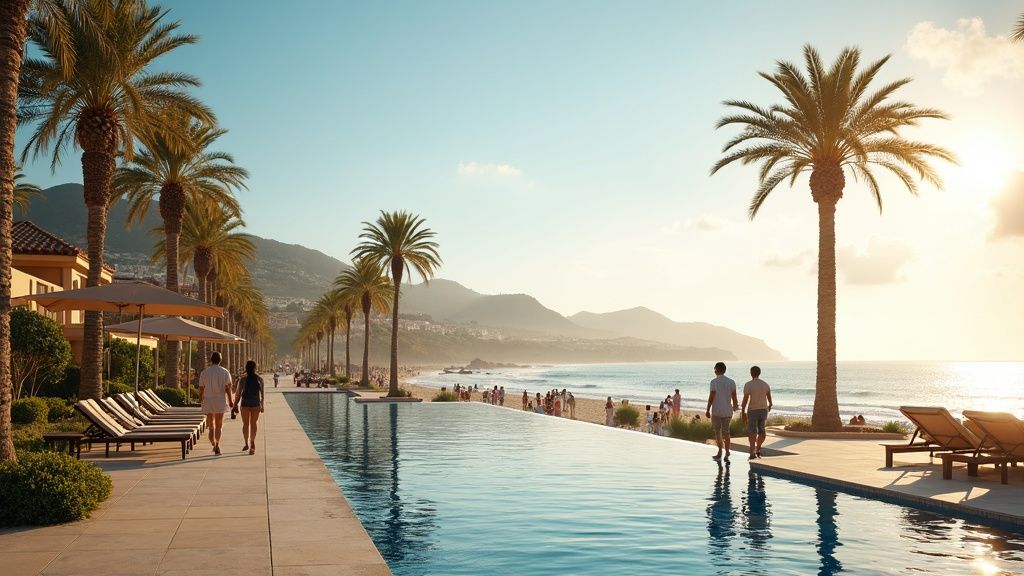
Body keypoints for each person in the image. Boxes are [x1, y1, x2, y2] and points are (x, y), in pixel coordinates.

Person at [199, 352, 234, 455]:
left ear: (211, 360)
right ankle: (217, 444)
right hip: (220, 400)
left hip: (208, 400)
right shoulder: (225, 372)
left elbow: (201, 388)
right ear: (220, 360)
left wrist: (200, 399)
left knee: (211, 426)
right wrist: (230, 400)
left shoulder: (204, 372)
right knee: (219, 425)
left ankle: (213, 443)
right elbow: (228, 388)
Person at [705, 361, 738, 461]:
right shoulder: (731, 382)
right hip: (727, 411)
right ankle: (727, 451)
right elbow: (734, 396)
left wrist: (708, 409)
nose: (714, 370)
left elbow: (711, 397)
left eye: (715, 368)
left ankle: (720, 452)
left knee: (718, 433)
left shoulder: (714, 382)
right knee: (726, 432)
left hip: (717, 411)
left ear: (716, 370)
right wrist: (735, 406)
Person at [740, 365, 773, 459]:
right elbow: (769, 397)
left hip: (753, 410)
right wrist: (770, 405)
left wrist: (743, 411)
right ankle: (758, 449)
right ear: (759, 373)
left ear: (751, 373)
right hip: (763, 410)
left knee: (752, 431)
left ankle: (752, 451)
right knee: (762, 431)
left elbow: (745, 399)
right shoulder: (765, 384)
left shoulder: (748, 384)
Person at [236, 360, 265, 455]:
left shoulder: (242, 379)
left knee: (245, 424)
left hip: (245, 404)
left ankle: (246, 443)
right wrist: (262, 405)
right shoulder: (259, 379)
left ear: (246, 368)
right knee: (253, 424)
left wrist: (235, 404)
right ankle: (252, 442)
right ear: (255, 368)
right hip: (255, 404)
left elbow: (238, 393)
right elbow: (262, 394)